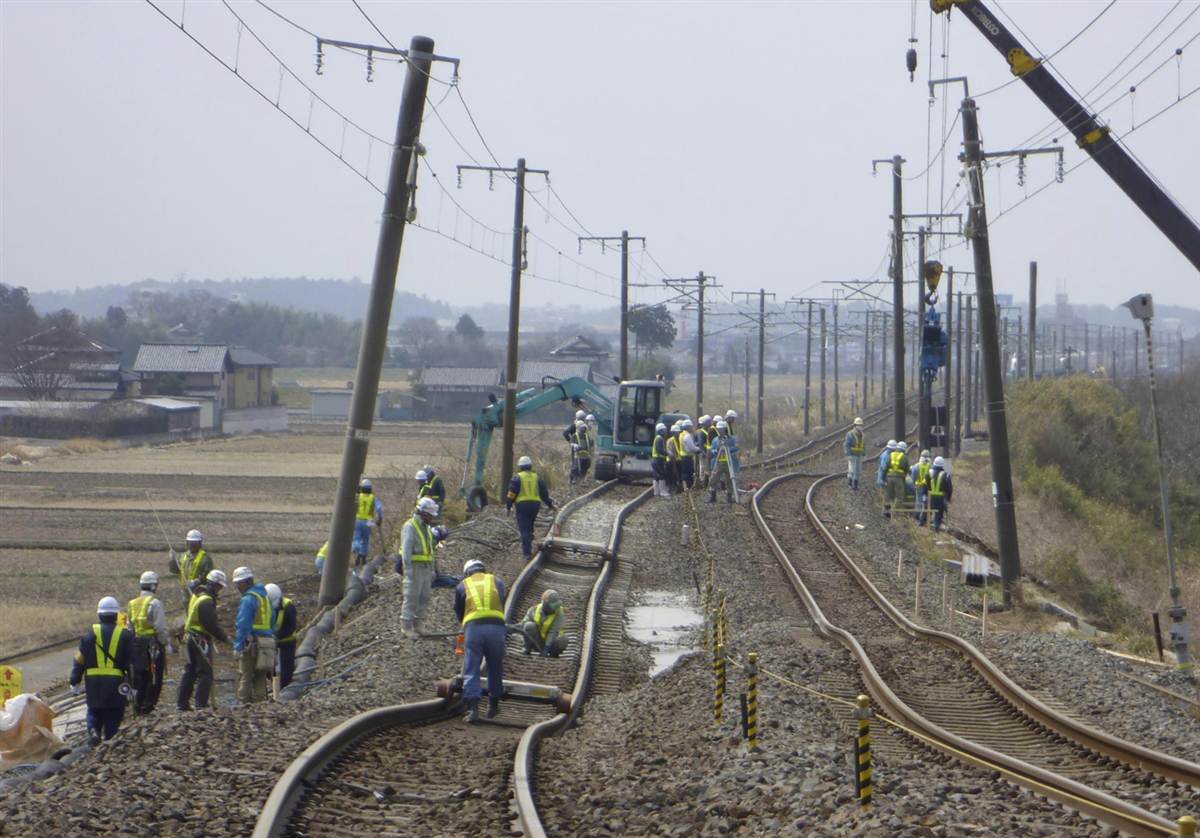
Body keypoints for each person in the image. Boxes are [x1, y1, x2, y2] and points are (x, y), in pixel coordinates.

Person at [69, 597, 132, 745]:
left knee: (94, 710)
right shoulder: (125, 635)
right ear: (116, 614)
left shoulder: (88, 635)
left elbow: (79, 660)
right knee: (113, 714)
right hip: (116, 684)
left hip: (93, 683)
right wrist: (133, 687)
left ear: (99, 614)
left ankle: (93, 732)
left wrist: (74, 682)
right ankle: (109, 742)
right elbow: (132, 664)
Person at [454, 559, 507, 723]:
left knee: (472, 666)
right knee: (495, 665)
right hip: (497, 628)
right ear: (483, 570)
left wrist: (465, 624)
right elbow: (501, 601)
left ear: (467, 572)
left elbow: (459, 610)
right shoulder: (496, 581)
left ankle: (473, 710)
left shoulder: (463, 585)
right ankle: (493, 705)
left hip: (474, 629)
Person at [177, 569, 229, 711]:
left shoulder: (197, 594)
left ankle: (182, 704)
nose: (220, 590)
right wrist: (224, 638)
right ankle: (201, 705)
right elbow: (210, 624)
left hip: (189, 637)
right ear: (214, 585)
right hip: (199, 639)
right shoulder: (206, 601)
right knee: (205, 673)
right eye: (219, 587)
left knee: (190, 671)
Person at [397, 497, 441, 637]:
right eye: (431, 514)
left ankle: (418, 624)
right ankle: (406, 627)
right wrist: (408, 570)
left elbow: (430, 549)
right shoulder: (410, 526)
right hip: (415, 568)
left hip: (426, 568)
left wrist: (433, 569)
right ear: (423, 513)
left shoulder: (426, 528)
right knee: (412, 596)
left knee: (424, 596)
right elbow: (406, 550)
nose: (433, 518)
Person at [127, 571, 169, 714]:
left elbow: (129, 628)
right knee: (154, 677)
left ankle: (138, 705)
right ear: (153, 586)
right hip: (153, 645)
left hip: (137, 644)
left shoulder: (132, 604)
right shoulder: (155, 603)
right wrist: (165, 644)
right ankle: (148, 706)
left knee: (140, 676)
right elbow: (160, 628)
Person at [232, 566, 275, 704]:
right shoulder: (265, 598)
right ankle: (261, 705)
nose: (237, 587)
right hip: (266, 643)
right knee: (260, 677)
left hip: (251, 644)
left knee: (246, 676)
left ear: (247, 582)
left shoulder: (248, 599)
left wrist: (238, 646)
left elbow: (243, 624)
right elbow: (272, 621)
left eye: (239, 583)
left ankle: (243, 705)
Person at [506, 456, 556, 560]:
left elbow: (511, 493)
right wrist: (550, 505)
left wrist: (509, 506)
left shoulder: (517, 477)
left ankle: (527, 553)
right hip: (535, 505)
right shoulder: (536, 477)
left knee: (524, 528)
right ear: (530, 466)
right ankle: (530, 538)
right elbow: (544, 494)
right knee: (529, 525)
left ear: (520, 466)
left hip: (522, 506)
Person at [265, 583, 298, 689]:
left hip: (287, 643)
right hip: (271, 642)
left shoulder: (288, 606)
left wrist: (277, 636)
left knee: (286, 671)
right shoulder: (266, 605)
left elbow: (291, 627)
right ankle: (275, 688)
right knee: (270, 670)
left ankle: (285, 689)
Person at [169, 529, 211, 610]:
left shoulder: (205, 559)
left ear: (200, 543)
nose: (193, 545)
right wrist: (173, 561)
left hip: (199, 594)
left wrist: (196, 582)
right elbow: (174, 570)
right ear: (187, 543)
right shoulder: (183, 557)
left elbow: (208, 576)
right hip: (185, 594)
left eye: (195, 543)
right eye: (191, 543)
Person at [521, 589, 567, 657]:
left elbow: (553, 632)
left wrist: (546, 649)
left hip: (552, 643)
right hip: (537, 641)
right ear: (546, 604)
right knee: (529, 625)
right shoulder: (534, 609)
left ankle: (553, 654)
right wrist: (512, 627)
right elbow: (524, 623)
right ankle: (527, 648)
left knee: (563, 639)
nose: (556, 607)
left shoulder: (559, 613)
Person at [354, 478, 383, 567]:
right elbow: (379, 509)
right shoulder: (373, 498)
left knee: (357, 539)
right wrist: (379, 519)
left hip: (358, 520)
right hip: (368, 522)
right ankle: (363, 556)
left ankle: (357, 552)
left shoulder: (358, 497)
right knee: (365, 540)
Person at [708, 420, 739, 504]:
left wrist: (727, 449)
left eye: (721, 429)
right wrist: (716, 451)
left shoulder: (731, 439)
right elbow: (712, 449)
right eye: (718, 429)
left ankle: (729, 497)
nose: (719, 430)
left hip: (729, 462)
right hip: (718, 462)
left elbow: (736, 447)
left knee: (729, 480)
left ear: (725, 429)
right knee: (714, 479)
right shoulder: (715, 440)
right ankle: (713, 496)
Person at [928, 456, 954, 531]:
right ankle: (937, 527)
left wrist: (925, 495)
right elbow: (950, 489)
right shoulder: (946, 475)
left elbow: (926, 485)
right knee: (939, 514)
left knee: (928, 511)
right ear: (943, 465)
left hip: (930, 497)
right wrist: (948, 498)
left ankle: (923, 523)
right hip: (941, 498)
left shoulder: (929, 472)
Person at [884, 441, 909, 518]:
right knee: (899, 496)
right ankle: (894, 511)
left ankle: (887, 509)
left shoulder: (891, 455)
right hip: (898, 478)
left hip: (889, 477)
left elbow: (886, 466)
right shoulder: (904, 457)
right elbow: (906, 468)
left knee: (890, 495)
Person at [910, 449, 933, 525]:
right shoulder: (930, 467)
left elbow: (913, 478)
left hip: (918, 486)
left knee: (919, 501)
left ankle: (918, 517)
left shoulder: (916, 466)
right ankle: (926, 518)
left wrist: (914, 485)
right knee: (927, 502)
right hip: (928, 487)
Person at [844, 417, 866, 490]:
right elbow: (846, 445)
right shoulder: (850, 434)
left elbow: (863, 445)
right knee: (852, 470)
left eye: (861, 425)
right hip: (852, 454)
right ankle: (850, 484)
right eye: (858, 425)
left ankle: (855, 485)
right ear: (855, 425)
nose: (860, 426)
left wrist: (864, 454)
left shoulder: (862, 435)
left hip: (859, 455)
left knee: (858, 470)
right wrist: (848, 454)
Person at [570, 420, 593, 484]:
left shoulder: (586, 435)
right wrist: (575, 445)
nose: (584, 429)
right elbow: (571, 443)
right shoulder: (575, 435)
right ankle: (574, 479)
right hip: (578, 455)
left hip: (586, 455)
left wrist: (592, 442)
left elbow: (590, 444)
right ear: (579, 428)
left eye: (584, 428)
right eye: (582, 428)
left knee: (586, 466)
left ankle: (582, 479)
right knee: (575, 468)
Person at [678, 418, 699, 490]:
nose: (692, 428)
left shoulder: (681, 434)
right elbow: (692, 448)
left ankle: (685, 486)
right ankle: (689, 486)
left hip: (682, 457)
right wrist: (699, 449)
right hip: (687, 457)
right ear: (688, 427)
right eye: (691, 426)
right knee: (689, 473)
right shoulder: (687, 435)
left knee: (684, 472)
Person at [651, 423, 670, 497]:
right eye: (664, 430)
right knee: (662, 475)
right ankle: (663, 492)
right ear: (661, 431)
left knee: (656, 476)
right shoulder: (659, 439)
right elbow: (660, 450)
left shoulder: (657, 438)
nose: (666, 431)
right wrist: (667, 453)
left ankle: (656, 491)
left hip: (655, 460)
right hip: (658, 459)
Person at [665, 422, 681, 495]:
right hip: (671, 461)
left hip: (678, 461)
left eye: (678, 432)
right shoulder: (670, 440)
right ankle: (671, 489)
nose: (677, 434)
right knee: (671, 475)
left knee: (678, 475)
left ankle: (678, 487)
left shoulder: (680, 439)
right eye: (676, 432)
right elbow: (670, 452)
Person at [695, 415, 712, 483]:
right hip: (703, 452)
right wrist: (703, 452)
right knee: (703, 466)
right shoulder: (701, 432)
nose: (710, 423)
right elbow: (701, 443)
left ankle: (706, 480)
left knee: (707, 467)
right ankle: (702, 480)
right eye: (709, 422)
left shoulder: (707, 431)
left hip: (707, 451)